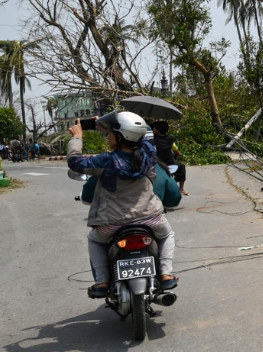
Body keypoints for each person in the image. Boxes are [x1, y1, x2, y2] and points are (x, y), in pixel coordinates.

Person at [67, 111, 179, 299]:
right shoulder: (149, 155)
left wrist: (77, 138)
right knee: (167, 234)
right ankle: (166, 273)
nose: (108, 136)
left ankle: (102, 282)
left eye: (110, 133)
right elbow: (140, 138)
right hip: (150, 219)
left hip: (111, 224)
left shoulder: (105, 161)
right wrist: (110, 128)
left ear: (118, 136)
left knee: (94, 240)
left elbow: (75, 162)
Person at [151, 121, 187, 196]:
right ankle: (181, 188)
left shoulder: (152, 139)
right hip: (170, 164)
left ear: (157, 130)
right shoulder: (170, 139)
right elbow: (177, 153)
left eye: (154, 128)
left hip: (158, 164)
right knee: (182, 166)